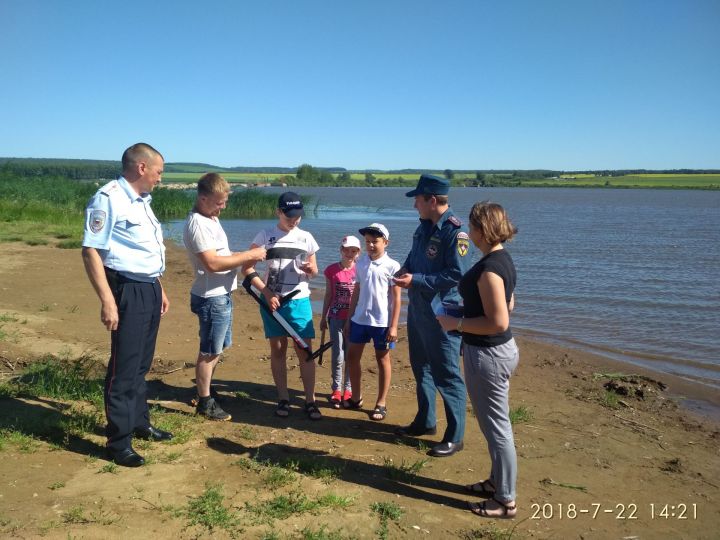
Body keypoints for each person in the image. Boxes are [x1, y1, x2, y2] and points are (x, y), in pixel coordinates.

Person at [81, 142, 171, 467]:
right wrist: (107, 300)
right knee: (124, 367)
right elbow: (91, 250)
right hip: (125, 291)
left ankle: (139, 422)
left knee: (142, 364)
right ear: (142, 167)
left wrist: (157, 286)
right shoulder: (108, 198)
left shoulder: (143, 201)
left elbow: (145, 253)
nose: (161, 178)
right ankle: (119, 443)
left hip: (147, 287)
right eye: (159, 171)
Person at [436, 201, 519, 519]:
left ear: (482, 230)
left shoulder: (489, 269)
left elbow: (498, 321)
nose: (468, 233)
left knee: (498, 428)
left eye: (471, 227)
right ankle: (497, 483)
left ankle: (505, 500)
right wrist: (465, 312)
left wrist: (455, 323)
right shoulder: (502, 260)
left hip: (488, 354)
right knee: (496, 425)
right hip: (496, 351)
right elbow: (509, 305)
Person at [393, 174, 471, 457]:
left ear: (432, 200)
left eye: (418, 199)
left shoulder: (456, 232)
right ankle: (425, 422)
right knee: (421, 367)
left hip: (443, 313)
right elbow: (415, 258)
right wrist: (404, 270)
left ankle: (455, 436)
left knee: (447, 374)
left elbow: (457, 274)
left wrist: (416, 280)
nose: (415, 205)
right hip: (418, 310)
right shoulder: (423, 227)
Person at [183, 173, 266, 421]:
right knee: (209, 351)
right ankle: (205, 401)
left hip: (222, 295)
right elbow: (212, 264)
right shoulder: (198, 224)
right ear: (203, 198)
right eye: (219, 202)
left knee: (218, 348)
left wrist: (244, 255)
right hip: (211, 297)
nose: (223, 207)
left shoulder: (211, 219)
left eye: (225, 201)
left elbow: (223, 255)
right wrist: (248, 256)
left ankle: (205, 390)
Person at [242, 192, 322, 420]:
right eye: (289, 216)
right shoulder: (266, 235)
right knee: (278, 351)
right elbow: (247, 269)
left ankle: (310, 401)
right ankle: (283, 398)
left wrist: (310, 271)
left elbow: (314, 271)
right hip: (272, 303)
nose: (294, 220)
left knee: (305, 353)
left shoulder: (306, 237)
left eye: (297, 216)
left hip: (299, 301)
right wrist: (266, 292)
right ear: (278, 212)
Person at [344, 224, 401, 421]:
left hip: (382, 322)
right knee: (352, 357)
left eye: (375, 241)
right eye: (367, 241)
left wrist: (394, 325)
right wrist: (349, 319)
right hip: (360, 319)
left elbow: (396, 299)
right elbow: (356, 292)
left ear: (385, 242)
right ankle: (356, 397)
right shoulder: (360, 264)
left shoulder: (393, 266)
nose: (370, 245)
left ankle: (381, 402)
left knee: (382, 360)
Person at [320, 234, 361, 409]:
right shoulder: (331, 270)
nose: (349, 254)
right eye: (346, 250)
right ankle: (336, 390)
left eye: (353, 251)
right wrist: (323, 317)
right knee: (338, 356)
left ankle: (348, 390)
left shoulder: (361, 270)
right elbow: (329, 294)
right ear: (341, 250)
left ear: (358, 253)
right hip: (335, 317)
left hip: (354, 320)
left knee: (351, 356)